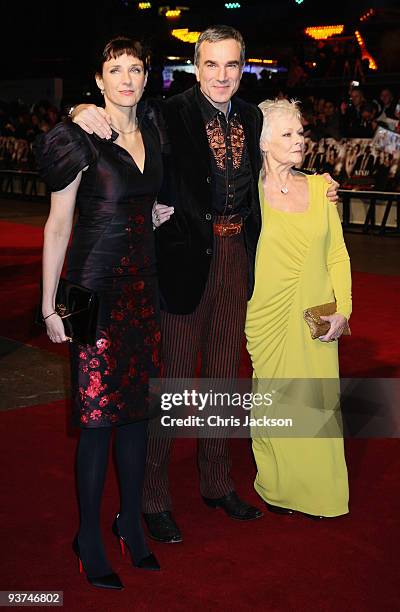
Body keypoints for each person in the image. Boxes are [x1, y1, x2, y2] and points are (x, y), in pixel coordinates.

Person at [70, 25, 340, 544]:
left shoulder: (255, 115)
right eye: (211, 64)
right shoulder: (166, 112)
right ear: (196, 65)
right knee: (172, 386)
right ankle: (152, 499)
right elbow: (118, 130)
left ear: (243, 66)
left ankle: (217, 484)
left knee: (221, 378)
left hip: (238, 258)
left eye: (232, 65)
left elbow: (282, 164)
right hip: (182, 261)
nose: (222, 75)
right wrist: (78, 112)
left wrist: (320, 184)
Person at [33, 37, 173, 589]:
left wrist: (154, 211)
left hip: (144, 289)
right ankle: (88, 536)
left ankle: (131, 525)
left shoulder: (154, 130)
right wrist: (49, 304)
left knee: (137, 416)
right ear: (99, 79)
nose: (127, 79)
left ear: (146, 75)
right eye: (115, 70)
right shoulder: (79, 136)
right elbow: (58, 225)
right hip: (92, 292)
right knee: (96, 424)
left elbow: (148, 198)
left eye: (135, 69)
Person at [245, 99, 351, 518]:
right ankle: (276, 487)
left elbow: (338, 256)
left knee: (317, 405)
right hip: (266, 314)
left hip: (316, 312)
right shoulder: (246, 194)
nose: (299, 141)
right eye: (287, 134)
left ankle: (322, 493)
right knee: (273, 402)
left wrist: (343, 311)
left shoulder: (321, 188)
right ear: (264, 142)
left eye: (300, 133)